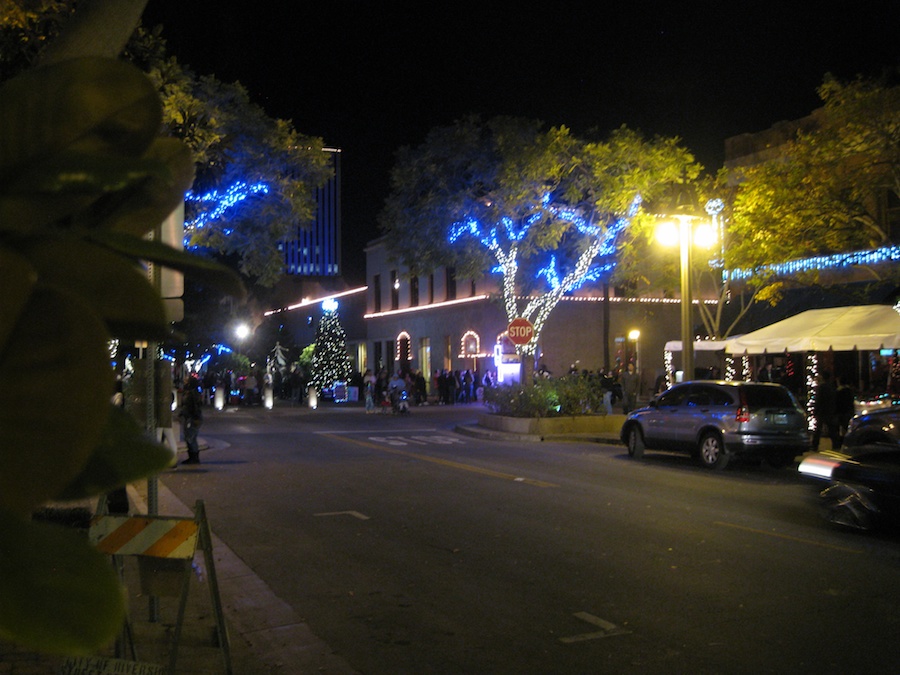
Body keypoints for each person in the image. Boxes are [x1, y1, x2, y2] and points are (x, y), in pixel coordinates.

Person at [812, 371, 839, 451]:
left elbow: (819, 400)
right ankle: (836, 444)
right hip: (830, 410)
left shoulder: (821, 387)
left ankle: (815, 445)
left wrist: (816, 410)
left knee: (818, 429)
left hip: (822, 411)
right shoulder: (832, 387)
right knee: (832, 428)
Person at [179, 375, 203, 464]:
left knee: (190, 437)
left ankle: (194, 458)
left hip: (192, 418)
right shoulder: (189, 392)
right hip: (189, 417)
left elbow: (195, 407)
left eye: (186, 381)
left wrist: (195, 417)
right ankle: (192, 457)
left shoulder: (192, 394)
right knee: (189, 437)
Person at [834, 375, 856, 446]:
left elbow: (837, 402)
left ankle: (842, 441)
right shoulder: (850, 391)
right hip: (848, 411)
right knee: (847, 426)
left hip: (841, 412)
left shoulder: (839, 391)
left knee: (842, 427)